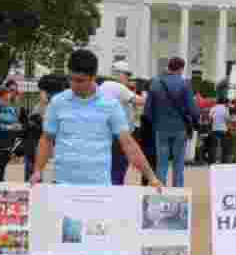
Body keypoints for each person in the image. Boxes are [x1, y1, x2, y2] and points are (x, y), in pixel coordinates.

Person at [31, 50, 160, 189]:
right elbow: (46, 139)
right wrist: (38, 170)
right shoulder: (58, 102)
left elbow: (128, 143)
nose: (74, 84)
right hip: (62, 184)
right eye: (71, 79)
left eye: (80, 80)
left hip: (99, 186)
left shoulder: (111, 105)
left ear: (93, 77)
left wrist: (151, 177)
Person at [143, 57, 199, 187]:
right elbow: (193, 109)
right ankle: (177, 192)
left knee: (161, 164)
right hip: (180, 128)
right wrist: (195, 121)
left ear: (169, 66)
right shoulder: (185, 84)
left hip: (161, 128)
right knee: (178, 163)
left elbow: (147, 111)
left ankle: (160, 191)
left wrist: (156, 123)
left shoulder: (156, 83)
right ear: (181, 68)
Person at [99, 63, 138, 185]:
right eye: (126, 74)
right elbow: (140, 101)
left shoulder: (105, 85)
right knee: (119, 169)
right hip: (119, 135)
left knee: (111, 169)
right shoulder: (117, 87)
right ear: (118, 74)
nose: (128, 78)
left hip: (109, 133)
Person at [0, 86, 21, 183]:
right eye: (5, 99)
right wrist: (9, 127)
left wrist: (16, 126)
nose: (7, 102)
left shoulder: (10, 109)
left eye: (9, 99)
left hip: (6, 145)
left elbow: (15, 121)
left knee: (0, 172)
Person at [209, 97, 229, 164]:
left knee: (213, 146)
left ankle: (212, 161)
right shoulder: (225, 109)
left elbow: (210, 118)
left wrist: (212, 125)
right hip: (223, 129)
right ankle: (224, 161)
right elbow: (227, 119)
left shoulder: (213, 108)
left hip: (214, 129)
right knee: (224, 146)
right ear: (223, 102)